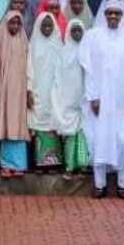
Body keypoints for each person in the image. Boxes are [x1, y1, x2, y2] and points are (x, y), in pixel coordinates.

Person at [79, 1, 124, 198]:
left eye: (117, 13)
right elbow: (88, 70)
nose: (113, 17)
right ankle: (100, 186)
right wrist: (92, 96)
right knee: (99, 138)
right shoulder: (93, 36)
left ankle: (122, 186)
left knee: (122, 139)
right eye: (109, 13)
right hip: (100, 99)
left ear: (122, 15)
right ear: (103, 14)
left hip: (123, 99)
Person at [0, 11, 31, 177]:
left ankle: (19, 165)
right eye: (12, 23)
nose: (15, 27)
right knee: (5, 126)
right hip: (4, 92)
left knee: (18, 126)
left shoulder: (24, 41)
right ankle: (6, 165)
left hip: (20, 92)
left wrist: (29, 91)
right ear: (6, 24)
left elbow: (30, 67)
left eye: (18, 24)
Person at [51, 20, 89, 178]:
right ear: (68, 33)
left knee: (83, 134)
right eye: (74, 31)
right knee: (69, 134)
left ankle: (82, 167)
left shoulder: (89, 51)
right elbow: (58, 76)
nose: (77, 34)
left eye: (79, 31)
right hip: (67, 98)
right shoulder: (63, 51)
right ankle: (69, 167)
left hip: (85, 99)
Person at [28, 12, 63, 169]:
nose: (47, 28)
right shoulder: (33, 44)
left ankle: (53, 163)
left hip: (55, 92)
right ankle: (40, 163)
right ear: (38, 26)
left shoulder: (58, 44)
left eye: (50, 26)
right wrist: (29, 90)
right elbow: (28, 70)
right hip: (37, 90)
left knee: (53, 123)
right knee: (39, 122)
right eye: (44, 25)